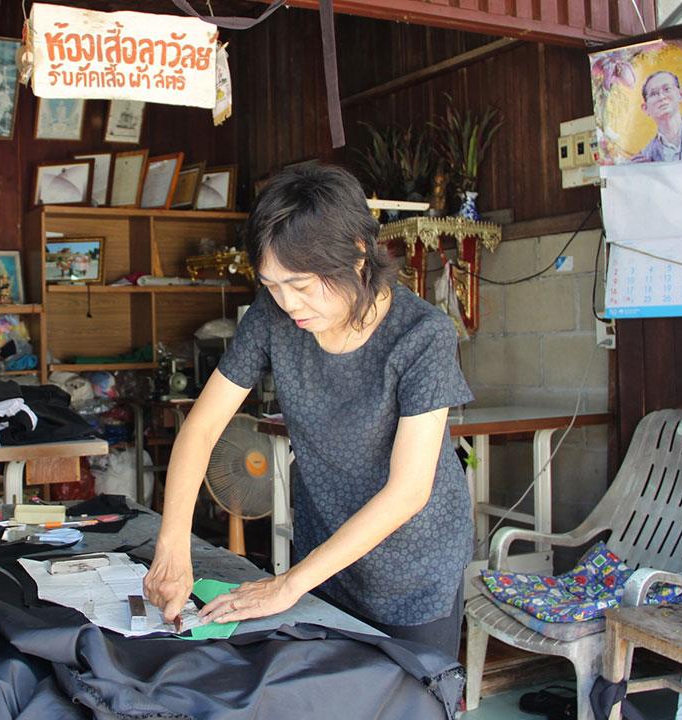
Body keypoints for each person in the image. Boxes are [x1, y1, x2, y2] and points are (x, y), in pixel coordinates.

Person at [143, 164, 475, 657]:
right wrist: (172, 546)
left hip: (414, 571)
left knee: (411, 691)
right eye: (273, 285)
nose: (288, 303)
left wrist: (288, 584)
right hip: (326, 562)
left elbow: (408, 491)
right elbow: (203, 426)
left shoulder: (421, 336)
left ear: (356, 254)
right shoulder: (271, 316)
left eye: (301, 284)